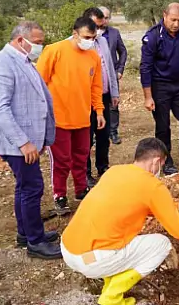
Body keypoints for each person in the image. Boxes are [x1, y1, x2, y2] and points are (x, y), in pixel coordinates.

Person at [60, 138, 179, 305]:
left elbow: (145, 206)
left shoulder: (114, 171)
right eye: (161, 164)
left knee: (115, 238)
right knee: (162, 244)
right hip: (94, 260)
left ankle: (109, 283)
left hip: (70, 250)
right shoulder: (152, 186)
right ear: (155, 162)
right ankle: (112, 297)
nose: (160, 170)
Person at [0, 21, 61, 259]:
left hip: (28, 140)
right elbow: (0, 109)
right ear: (20, 40)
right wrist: (23, 142)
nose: (40, 47)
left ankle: (25, 234)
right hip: (17, 144)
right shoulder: (0, 65)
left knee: (24, 187)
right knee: (32, 188)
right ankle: (35, 242)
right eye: (37, 43)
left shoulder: (23, 60)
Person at [37, 17, 105, 214]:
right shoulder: (54, 51)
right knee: (61, 160)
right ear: (75, 34)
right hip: (58, 119)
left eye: (93, 37)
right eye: (86, 37)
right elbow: (39, 84)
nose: (90, 41)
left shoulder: (93, 57)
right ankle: (60, 195)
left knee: (81, 156)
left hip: (83, 118)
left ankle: (81, 189)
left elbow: (96, 87)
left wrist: (99, 111)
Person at [140, 3, 179, 176]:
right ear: (164, 15)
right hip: (159, 86)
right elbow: (145, 67)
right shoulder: (153, 36)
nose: (176, 24)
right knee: (163, 126)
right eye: (173, 20)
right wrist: (148, 97)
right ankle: (166, 161)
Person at [81, 7, 120, 187]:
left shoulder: (102, 42)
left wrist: (114, 92)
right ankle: (85, 174)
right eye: (94, 26)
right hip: (83, 101)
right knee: (86, 139)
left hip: (103, 96)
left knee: (103, 135)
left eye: (99, 26)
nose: (97, 31)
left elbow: (109, 69)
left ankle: (103, 168)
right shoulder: (77, 44)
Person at [98, 6, 127, 145]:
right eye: (102, 17)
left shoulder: (114, 33)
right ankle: (96, 132)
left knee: (113, 104)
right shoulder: (89, 34)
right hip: (94, 77)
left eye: (107, 17)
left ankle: (113, 131)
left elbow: (123, 52)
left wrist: (120, 69)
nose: (104, 20)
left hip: (112, 76)